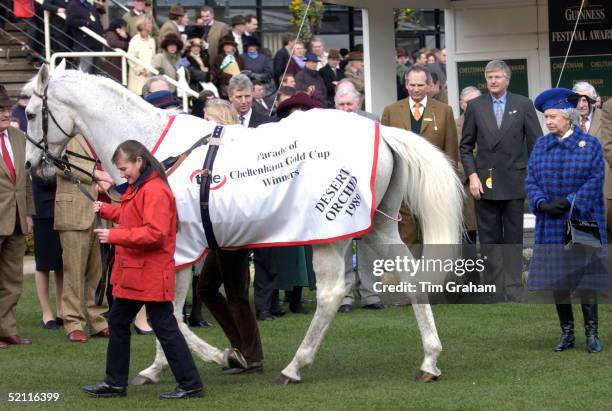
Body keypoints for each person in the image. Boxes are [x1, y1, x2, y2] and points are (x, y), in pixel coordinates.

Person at [83, 141, 203, 399]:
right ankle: (115, 383)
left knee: (163, 326)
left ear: (139, 161)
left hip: (147, 271)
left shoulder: (155, 190)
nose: (121, 174)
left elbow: (155, 233)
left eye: (124, 168)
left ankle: (190, 383)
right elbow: (132, 216)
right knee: (121, 320)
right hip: (137, 271)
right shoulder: (145, 186)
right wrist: (106, 209)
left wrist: (115, 235)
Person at [526, 88, 606, 353]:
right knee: (558, 279)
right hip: (550, 221)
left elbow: (595, 179)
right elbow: (531, 180)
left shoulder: (590, 144)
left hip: (582, 220)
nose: (548, 121)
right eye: (546, 117)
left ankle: (592, 334)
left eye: (553, 116)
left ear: (568, 117)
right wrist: (541, 203)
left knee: (587, 278)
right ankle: (567, 333)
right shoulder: (541, 145)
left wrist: (570, 201)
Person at [460, 59, 541, 302]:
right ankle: (494, 290)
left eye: (497, 77)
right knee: (489, 238)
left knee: (513, 237)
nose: (493, 81)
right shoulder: (475, 106)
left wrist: (532, 177)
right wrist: (472, 176)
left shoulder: (523, 104)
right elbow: (465, 147)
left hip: (514, 181)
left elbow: (536, 143)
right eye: (489, 77)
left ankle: (514, 289)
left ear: (507, 79)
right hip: (483, 183)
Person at [196, 100, 265, 371]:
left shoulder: (234, 148)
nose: (204, 123)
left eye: (208, 118)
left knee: (234, 292)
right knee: (209, 289)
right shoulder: (216, 147)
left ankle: (251, 354)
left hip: (232, 226)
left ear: (221, 120)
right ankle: (244, 349)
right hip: (223, 227)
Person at [382, 65, 458, 247]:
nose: (416, 89)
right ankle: (410, 273)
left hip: (433, 184)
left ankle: (434, 273)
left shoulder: (444, 111)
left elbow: (451, 151)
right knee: (405, 233)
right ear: (406, 85)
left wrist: (448, 184)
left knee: (433, 234)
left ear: (429, 86)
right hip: (402, 184)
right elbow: (384, 152)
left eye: (421, 85)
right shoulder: (391, 111)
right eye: (412, 85)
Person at [55, 135, 109, 343]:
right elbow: (59, 163)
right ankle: (73, 323)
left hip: (104, 208)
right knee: (74, 271)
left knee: (99, 271)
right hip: (73, 210)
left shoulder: (100, 132)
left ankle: (99, 321)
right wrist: (97, 175)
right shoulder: (64, 134)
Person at [0, 84, 35, 349]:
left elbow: (26, 180)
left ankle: (7, 330)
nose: (5, 114)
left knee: (12, 279)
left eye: (6, 109)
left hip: (17, 219)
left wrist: (29, 214)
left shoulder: (18, 137)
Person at [32, 173, 64, 330]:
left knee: (62, 264)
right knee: (43, 264)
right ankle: (46, 314)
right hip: (43, 211)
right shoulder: (36, 151)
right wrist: (67, 174)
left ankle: (61, 311)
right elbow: (42, 179)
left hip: (64, 209)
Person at [456, 86, 482, 246]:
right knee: (468, 235)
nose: (473, 106)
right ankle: (470, 270)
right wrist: (471, 173)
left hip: (491, 183)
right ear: (461, 104)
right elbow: (450, 155)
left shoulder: (492, 122)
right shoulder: (453, 124)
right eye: (468, 102)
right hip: (466, 186)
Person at [65, 0, 104, 73]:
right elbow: (70, 21)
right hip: (84, 43)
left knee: (95, 71)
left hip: (96, 43)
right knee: (85, 70)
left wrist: (100, 29)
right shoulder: (72, 5)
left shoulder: (88, 4)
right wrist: (85, 23)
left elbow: (97, 19)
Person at [127, 17, 156, 96]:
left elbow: (154, 58)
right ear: (143, 26)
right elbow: (130, 59)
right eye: (149, 23)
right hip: (137, 80)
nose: (151, 25)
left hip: (149, 79)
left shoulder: (152, 40)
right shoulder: (134, 40)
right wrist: (141, 70)